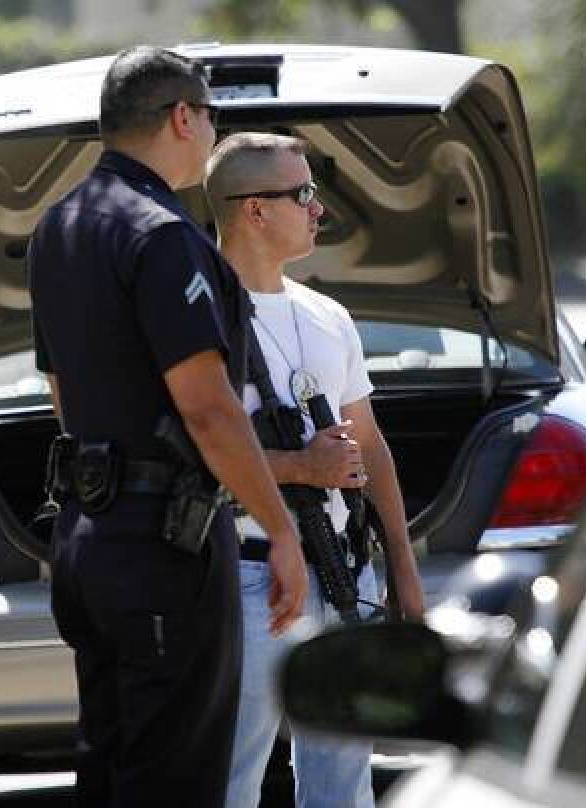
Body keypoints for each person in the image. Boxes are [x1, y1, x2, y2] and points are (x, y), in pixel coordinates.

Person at [27, 46, 309, 807]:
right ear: (183, 117)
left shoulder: (60, 226)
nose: (211, 132)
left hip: (88, 537)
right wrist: (281, 531)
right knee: (175, 780)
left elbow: (62, 391)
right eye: (211, 117)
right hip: (164, 549)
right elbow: (208, 406)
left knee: (112, 768)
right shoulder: (160, 233)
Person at [203, 132, 427, 808]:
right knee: (229, 781)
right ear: (254, 210)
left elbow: (372, 446)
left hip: (343, 574)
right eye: (302, 194)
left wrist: (402, 574)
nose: (318, 208)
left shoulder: (328, 315)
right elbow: (190, 465)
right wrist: (302, 467)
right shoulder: (199, 319)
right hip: (249, 580)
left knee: (343, 787)